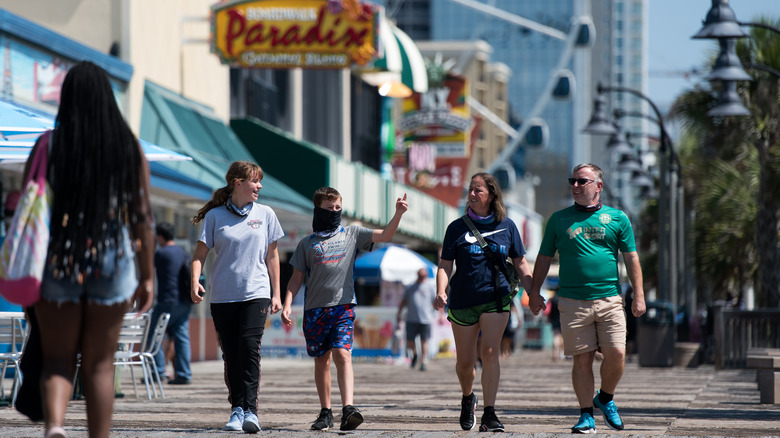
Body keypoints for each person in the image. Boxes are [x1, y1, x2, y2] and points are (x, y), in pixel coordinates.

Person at [29, 61, 154, 438]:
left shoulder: (48, 145)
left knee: (56, 359)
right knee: (100, 365)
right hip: (112, 261)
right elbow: (142, 217)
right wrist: (147, 275)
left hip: (58, 259)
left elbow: (31, 206)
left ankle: (54, 425)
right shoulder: (127, 149)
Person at [527, 163, 646, 434]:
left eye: (582, 181)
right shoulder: (558, 219)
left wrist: (638, 295)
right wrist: (534, 292)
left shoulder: (618, 218)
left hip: (610, 298)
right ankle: (585, 415)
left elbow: (631, 258)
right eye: (573, 181)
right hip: (572, 301)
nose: (576, 186)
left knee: (617, 353)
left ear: (598, 186)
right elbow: (544, 258)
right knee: (582, 360)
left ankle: (604, 398)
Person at [281, 187, 408, 432]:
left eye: (338, 208)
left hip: (343, 307)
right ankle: (325, 411)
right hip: (315, 310)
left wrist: (398, 214)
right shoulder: (306, 244)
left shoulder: (352, 234)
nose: (335, 212)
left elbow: (385, 235)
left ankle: (348, 408)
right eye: (330, 209)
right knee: (322, 361)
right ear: (319, 210)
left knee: (343, 354)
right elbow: (296, 278)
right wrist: (287, 303)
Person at [433, 172, 533, 432]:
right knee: (465, 363)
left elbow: (521, 262)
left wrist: (533, 292)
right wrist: (441, 290)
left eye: (478, 190)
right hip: (463, 299)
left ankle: (490, 413)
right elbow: (445, 264)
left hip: (496, 298)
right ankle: (468, 398)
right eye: (471, 190)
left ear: (491, 195)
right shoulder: (456, 227)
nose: (473, 194)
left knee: (490, 352)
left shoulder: (507, 226)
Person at [190, 161, 283, 434]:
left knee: (248, 348)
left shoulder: (265, 214)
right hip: (223, 296)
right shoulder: (215, 216)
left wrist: (277, 293)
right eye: (255, 181)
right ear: (237, 183)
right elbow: (199, 256)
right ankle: (236, 409)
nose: (260, 186)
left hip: (256, 292)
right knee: (231, 354)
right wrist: (195, 280)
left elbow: (273, 256)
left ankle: (251, 411)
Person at [149, 221, 192, 385]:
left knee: (154, 336)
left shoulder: (161, 254)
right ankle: (184, 373)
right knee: (181, 337)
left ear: (159, 237)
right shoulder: (183, 252)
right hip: (184, 302)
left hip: (167, 301)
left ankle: (159, 371)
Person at [396, 268, 439, 371]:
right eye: (420, 275)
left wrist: (440, 314)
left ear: (426, 275)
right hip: (411, 318)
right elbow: (403, 301)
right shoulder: (410, 287)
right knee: (410, 341)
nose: (421, 277)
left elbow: (436, 301)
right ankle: (415, 355)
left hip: (426, 319)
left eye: (423, 275)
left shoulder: (430, 287)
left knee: (424, 340)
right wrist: (399, 313)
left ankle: (423, 361)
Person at [548, 289, 564, 361]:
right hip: (563, 319)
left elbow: (550, 311)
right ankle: (562, 353)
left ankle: (555, 354)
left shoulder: (552, 298)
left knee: (556, 336)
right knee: (562, 337)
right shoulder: (563, 298)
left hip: (554, 319)